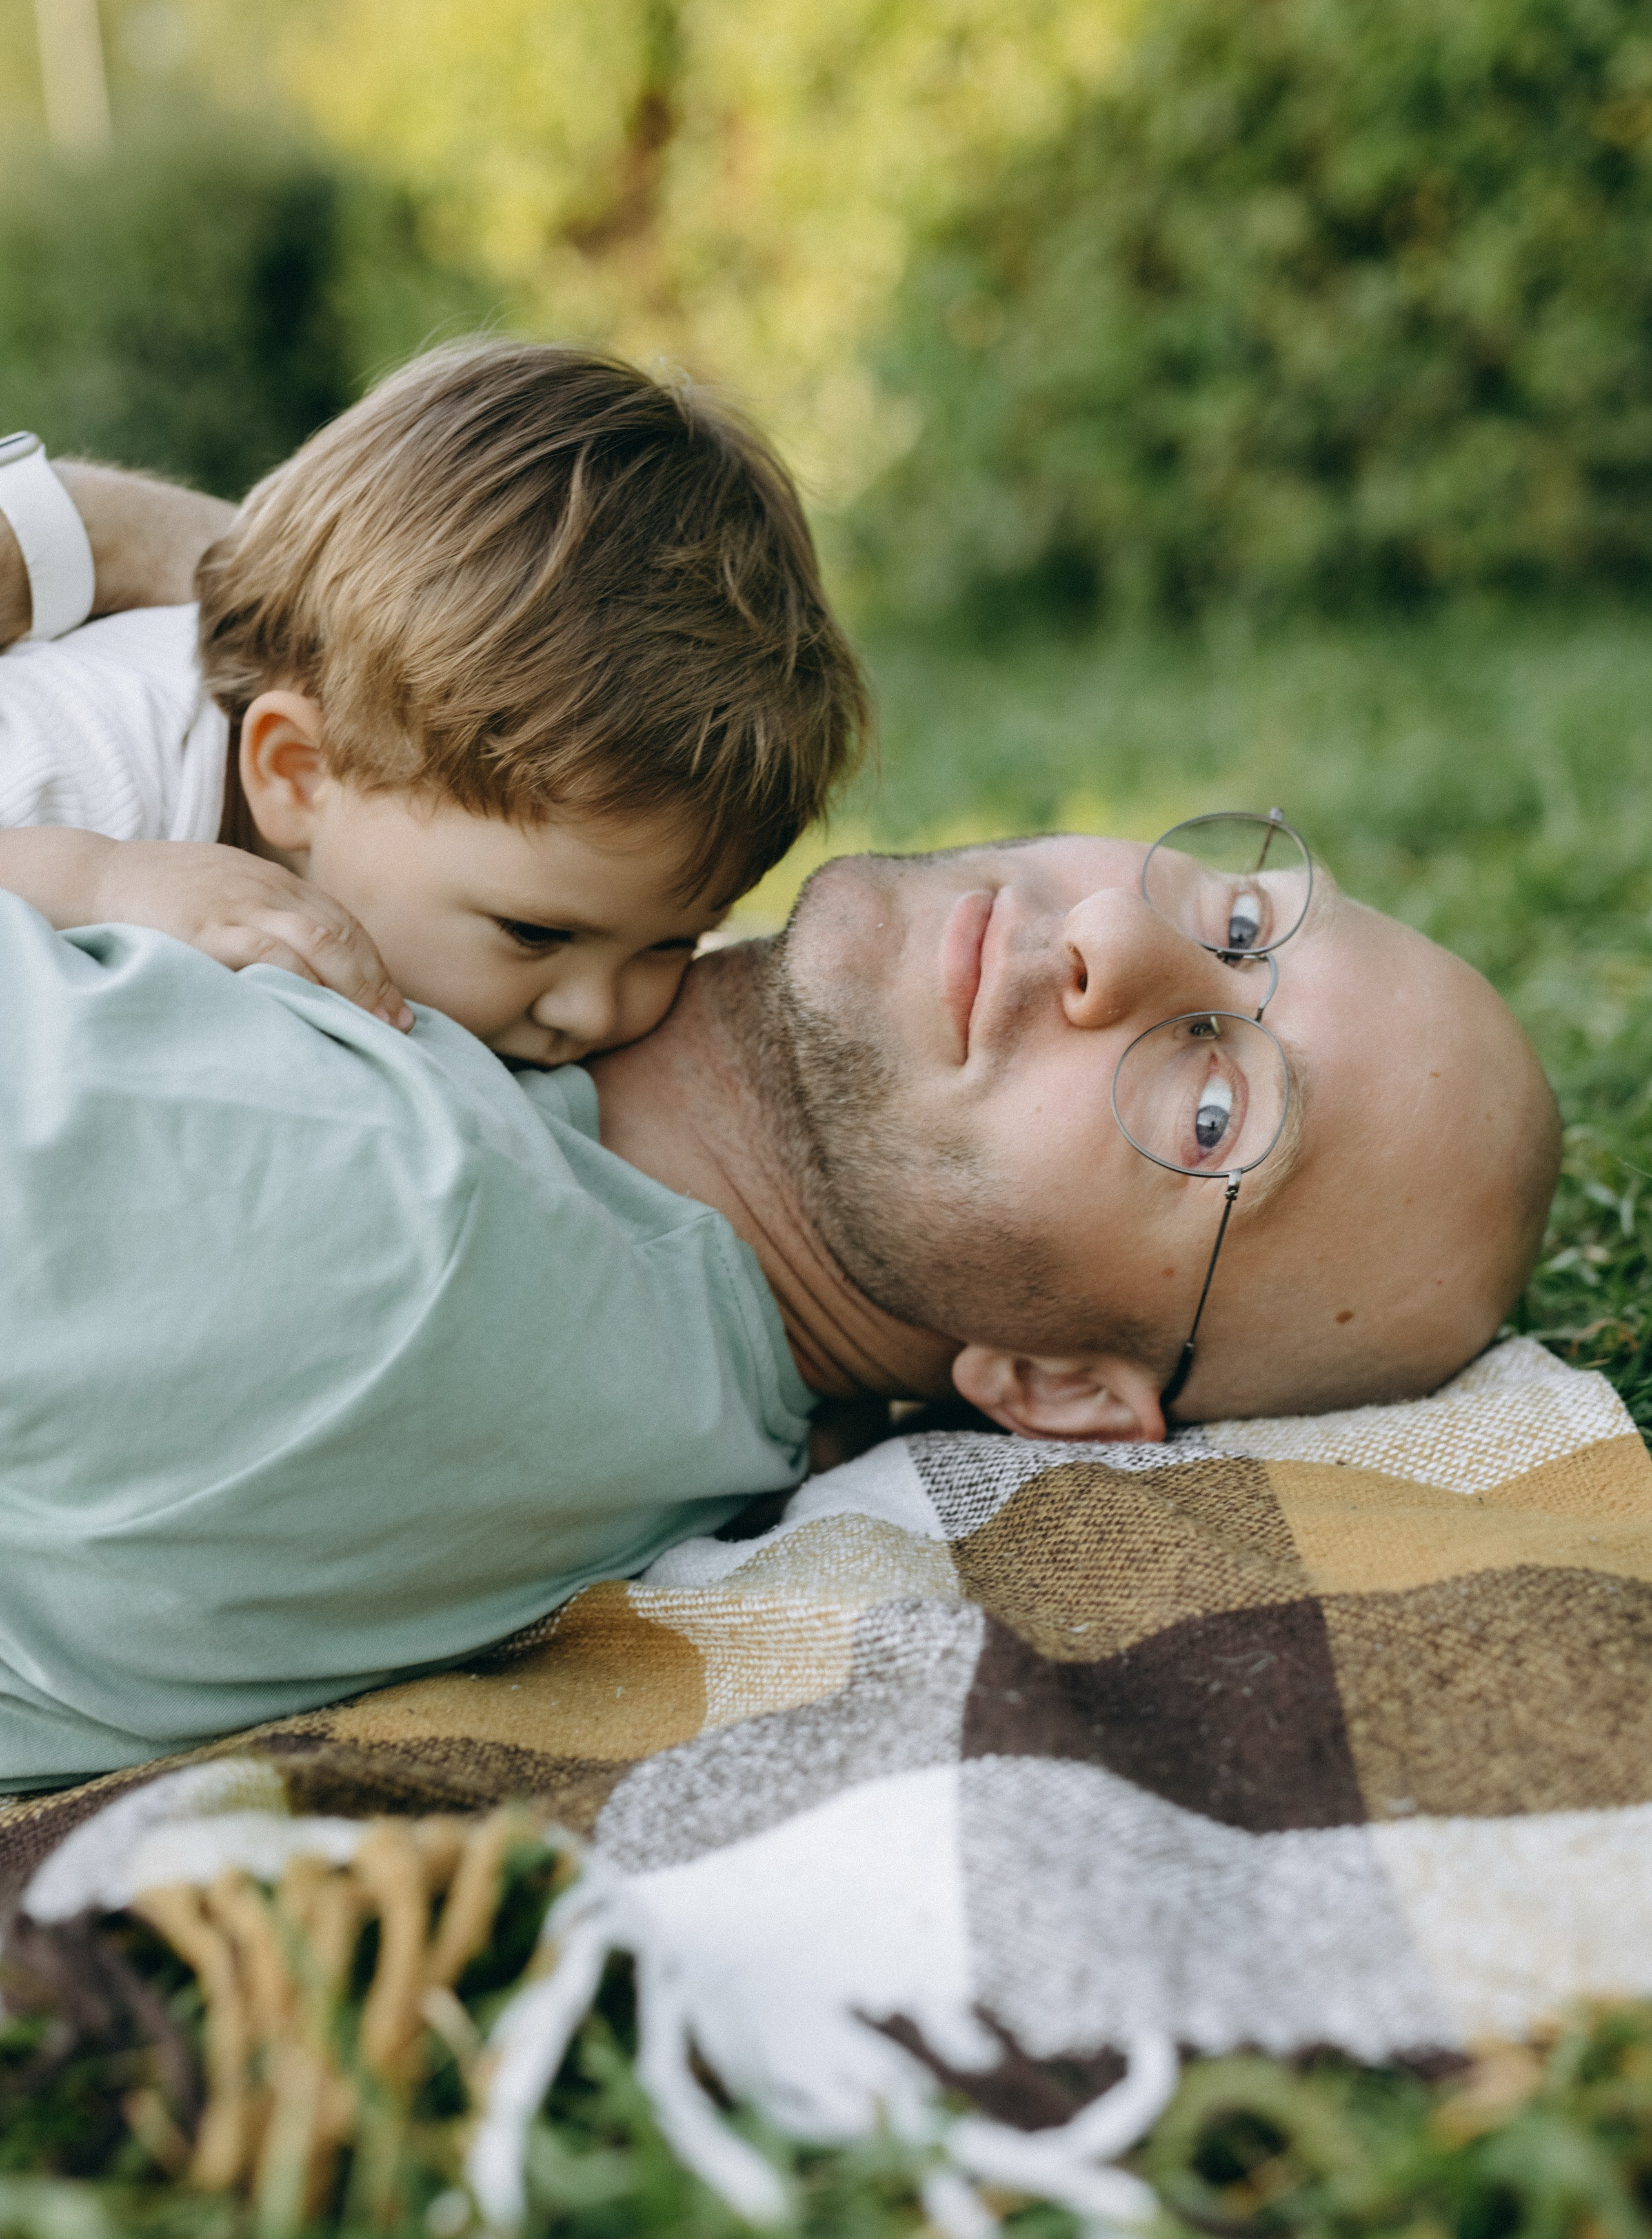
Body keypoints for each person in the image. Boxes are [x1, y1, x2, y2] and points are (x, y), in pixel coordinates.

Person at [0, 474, 1560, 1791]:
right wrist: (277, 589)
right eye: (1238, 921)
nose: (1114, 938)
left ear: (1055, 1389)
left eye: (1212, 1113)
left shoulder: (385, 1216)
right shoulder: (665, 1365)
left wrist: (83, 536)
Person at [0, 343, 867, 1062]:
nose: (596, 1013)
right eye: (535, 934)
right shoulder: (88, 761)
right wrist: (95, 880)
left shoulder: (416, 817)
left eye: (673, 943)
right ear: (299, 773)